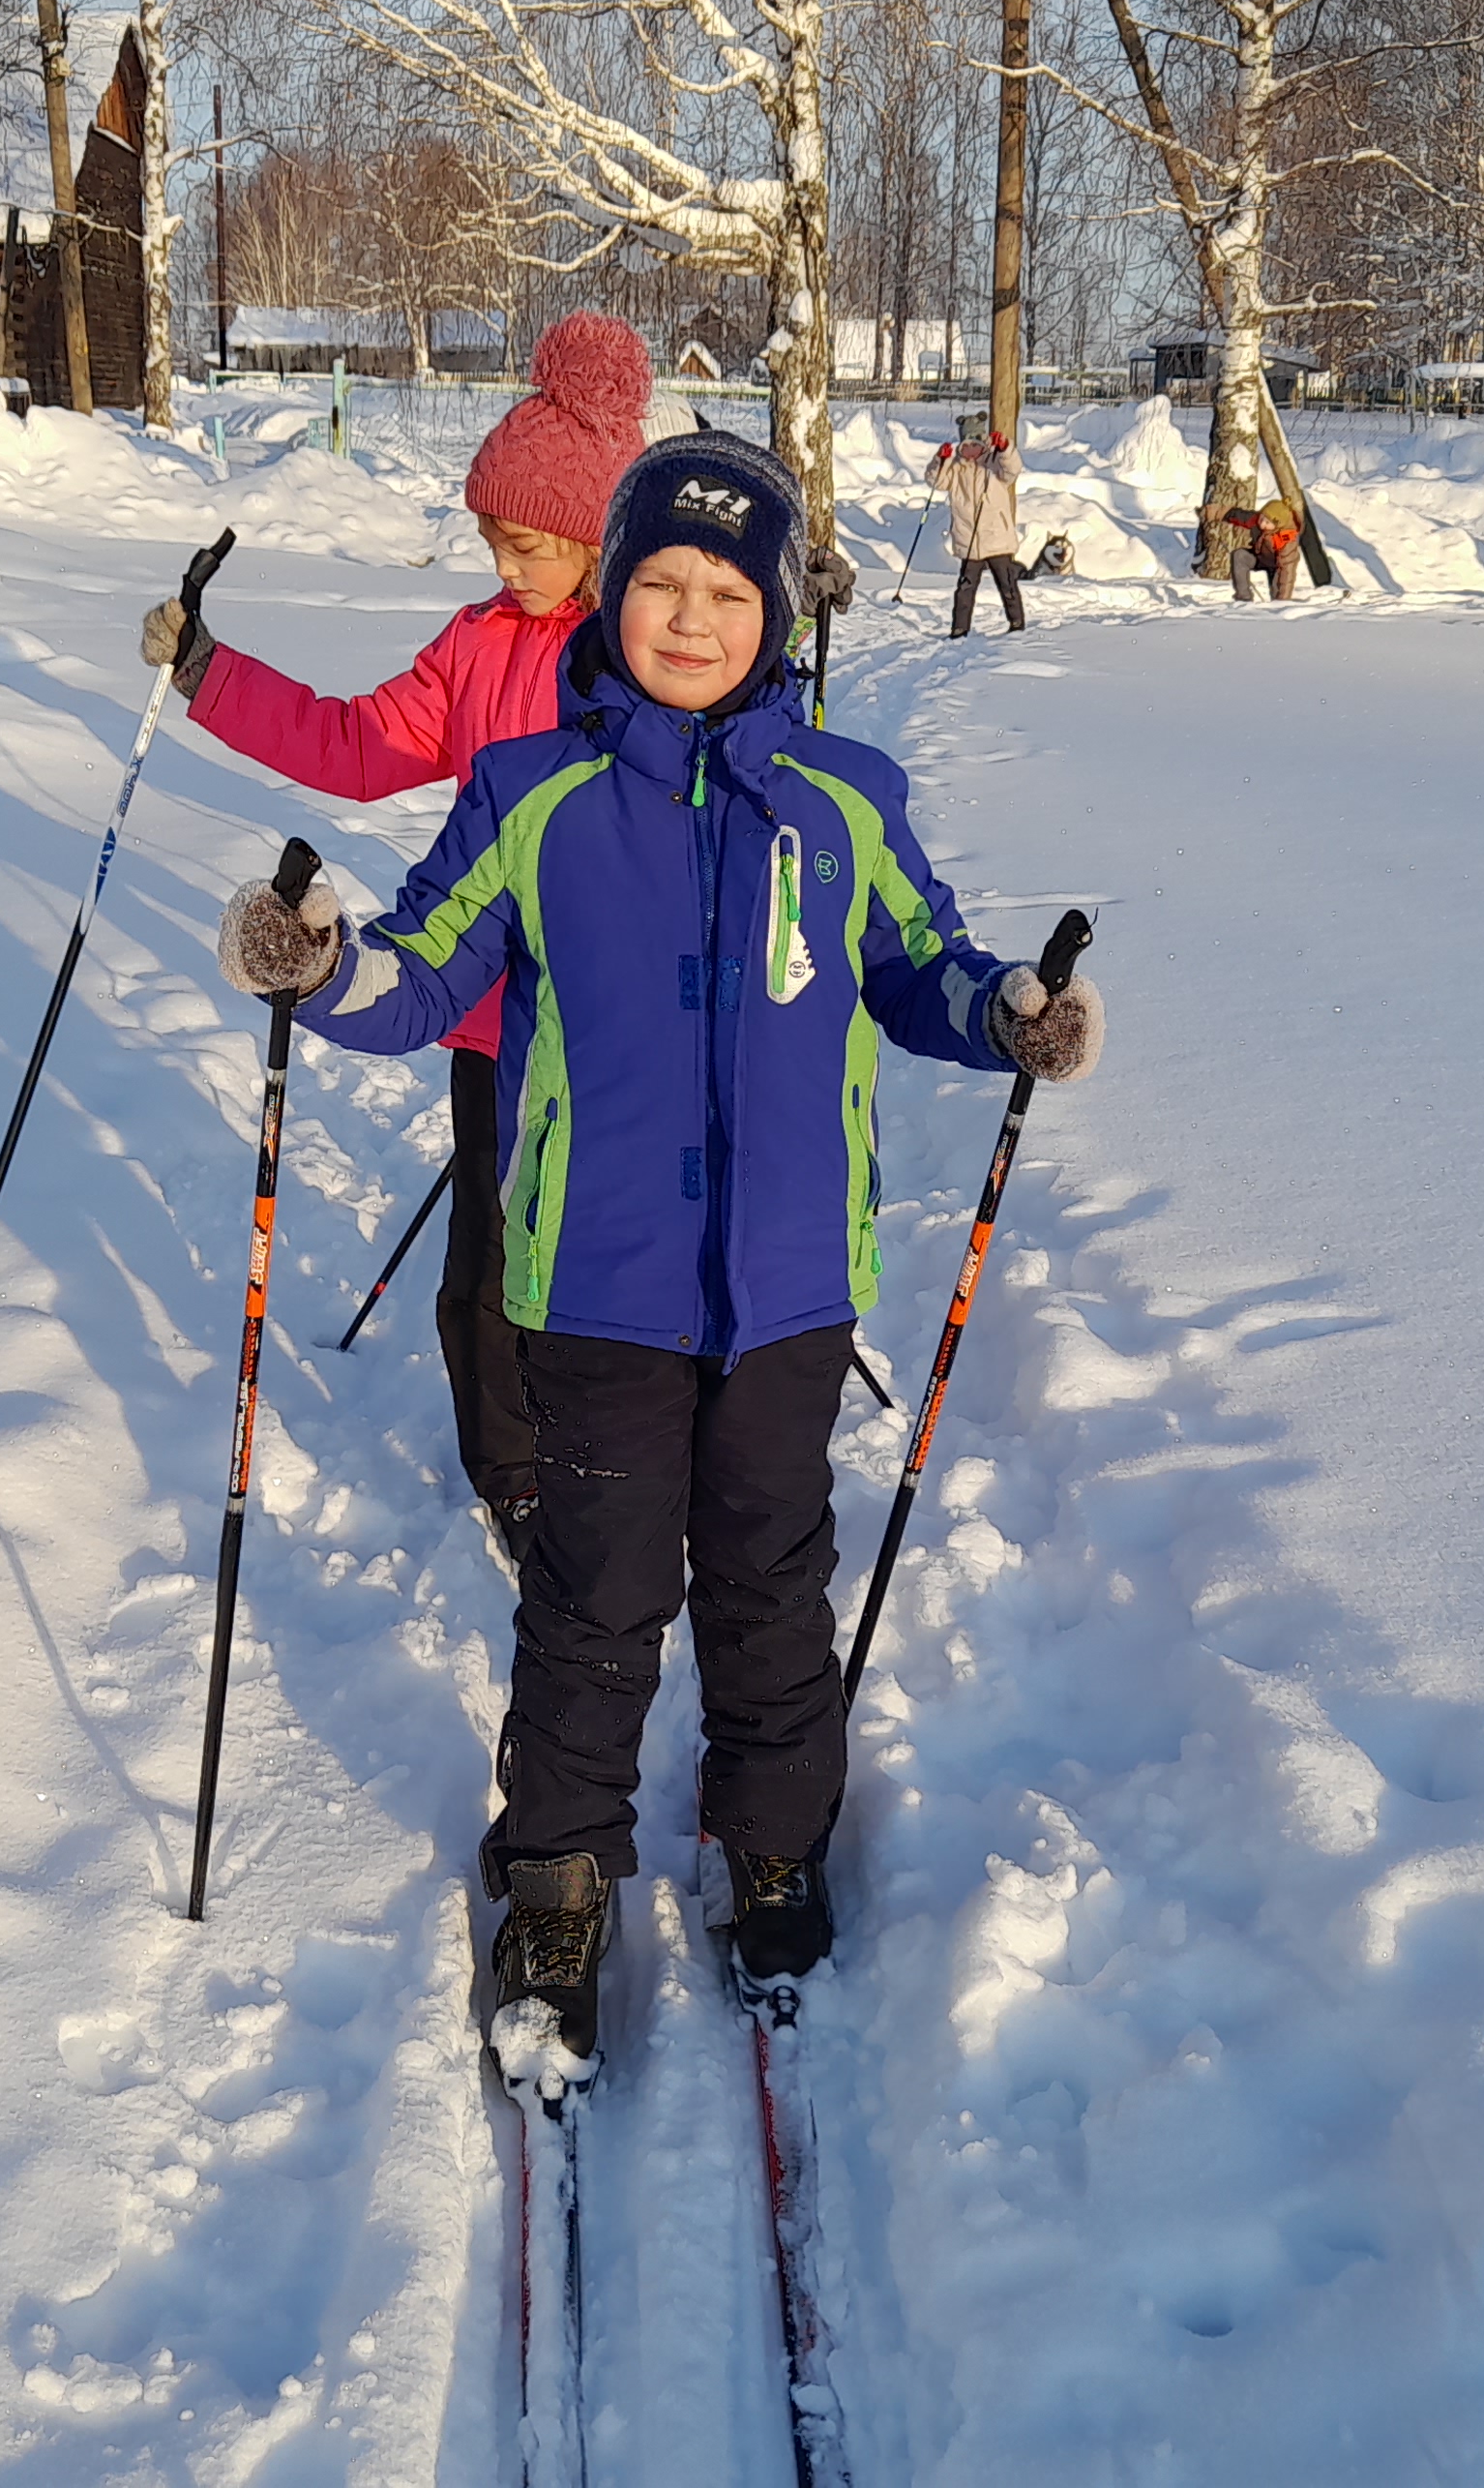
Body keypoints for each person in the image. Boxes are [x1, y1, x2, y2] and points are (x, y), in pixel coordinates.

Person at [211, 428, 1101, 2054]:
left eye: (725, 593)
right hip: (595, 1285)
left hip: (787, 1292)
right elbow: (418, 974)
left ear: (773, 614)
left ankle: (774, 1840)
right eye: (659, 588)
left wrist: (1009, 1014)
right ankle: (555, 1867)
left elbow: (922, 965)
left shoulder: (840, 801)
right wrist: (314, 965)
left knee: (771, 1580)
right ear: (610, 598)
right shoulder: (531, 794)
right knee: (597, 1592)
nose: (690, 621)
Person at [139, 310, 655, 1561]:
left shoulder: (648, 648)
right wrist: (211, 673)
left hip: (628, 1016)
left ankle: (633, 1440)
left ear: (596, 533)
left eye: (529, 544)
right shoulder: (475, 646)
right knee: (487, 1266)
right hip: (491, 1015)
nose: (507, 566)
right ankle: (514, 1472)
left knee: (616, 1252)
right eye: (492, 540)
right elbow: (357, 743)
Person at [932, 409, 1026, 637]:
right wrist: (940, 461)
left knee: (1007, 584)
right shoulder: (955, 467)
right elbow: (937, 481)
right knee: (965, 588)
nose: (971, 451)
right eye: (967, 446)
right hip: (968, 539)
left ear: (983, 444)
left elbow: (1012, 469)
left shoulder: (994, 462)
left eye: (976, 445)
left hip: (996, 538)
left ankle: (1017, 623)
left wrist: (1005, 448)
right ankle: (959, 628)